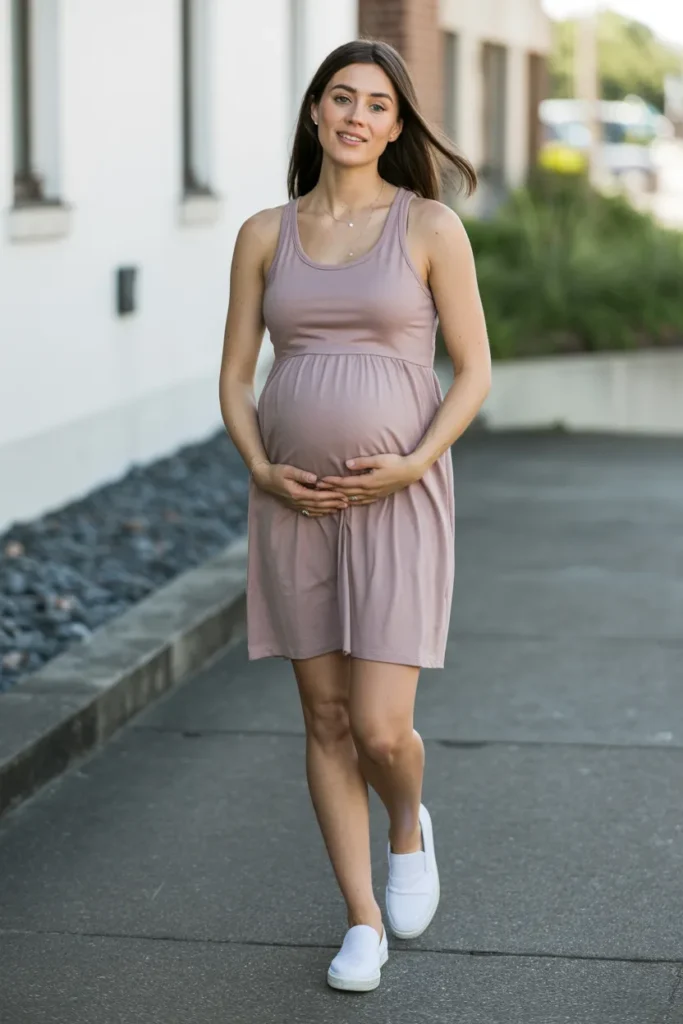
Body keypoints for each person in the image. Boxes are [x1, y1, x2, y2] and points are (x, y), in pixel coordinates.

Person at [219, 38, 491, 992]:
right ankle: (361, 918)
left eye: (377, 105)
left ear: (396, 125)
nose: (356, 117)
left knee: (381, 729)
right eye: (342, 98)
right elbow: (234, 376)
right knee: (325, 718)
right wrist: (261, 469)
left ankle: (408, 830)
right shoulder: (264, 232)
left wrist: (413, 462)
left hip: (399, 497)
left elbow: (474, 371)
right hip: (294, 502)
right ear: (314, 111)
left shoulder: (427, 228)